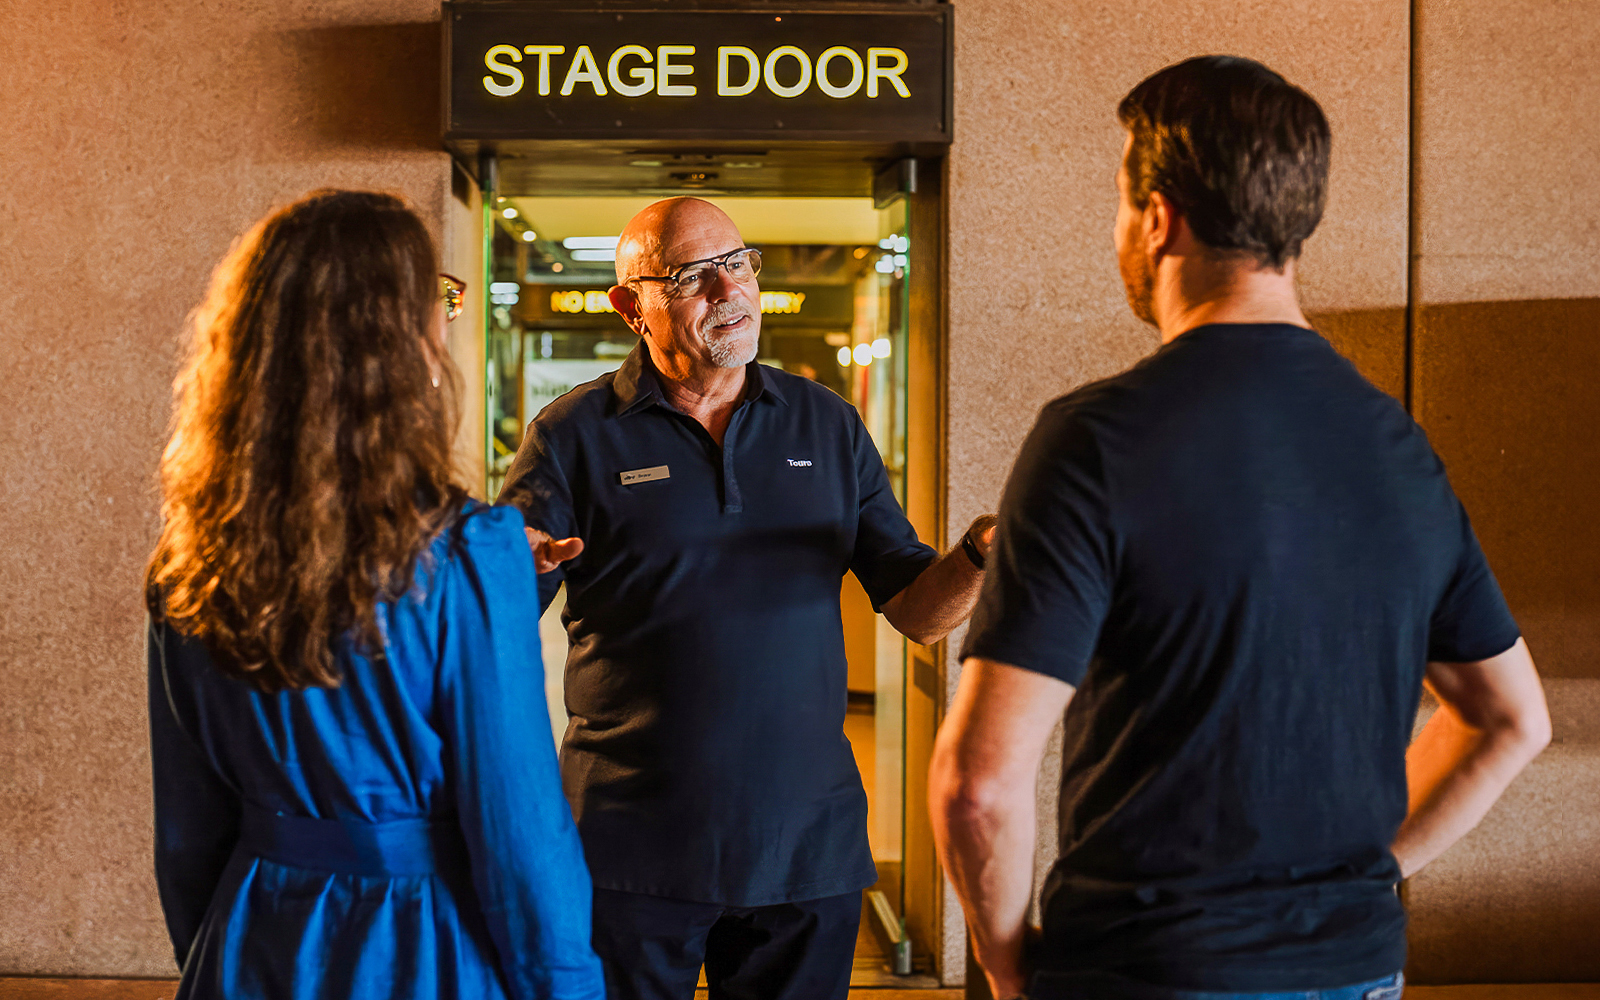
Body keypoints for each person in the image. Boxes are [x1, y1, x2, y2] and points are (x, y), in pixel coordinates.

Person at [929, 56, 1552, 1000]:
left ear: (1158, 217)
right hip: (1355, 969)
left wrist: (1009, 968)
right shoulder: (1396, 446)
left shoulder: (1097, 439)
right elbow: (1509, 721)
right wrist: (1348, 883)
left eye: (1120, 205)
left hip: (1151, 970)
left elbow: (977, 783)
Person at [498, 196, 995, 1000]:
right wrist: (501, 573)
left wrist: (978, 556)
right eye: (691, 276)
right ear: (631, 307)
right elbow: (497, 617)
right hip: (628, 846)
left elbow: (916, 611)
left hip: (805, 847)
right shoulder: (574, 433)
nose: (728, 289)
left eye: (737, 263)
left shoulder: (827, 424)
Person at [145, 190, 604, 1000]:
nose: (448, 324)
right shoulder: (470, 552)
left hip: (250, 938)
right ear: (396, 340)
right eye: (439, 300)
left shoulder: (192, 558)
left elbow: (187, 833)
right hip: (422, 943)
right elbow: (521, 836)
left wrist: (220, 951)